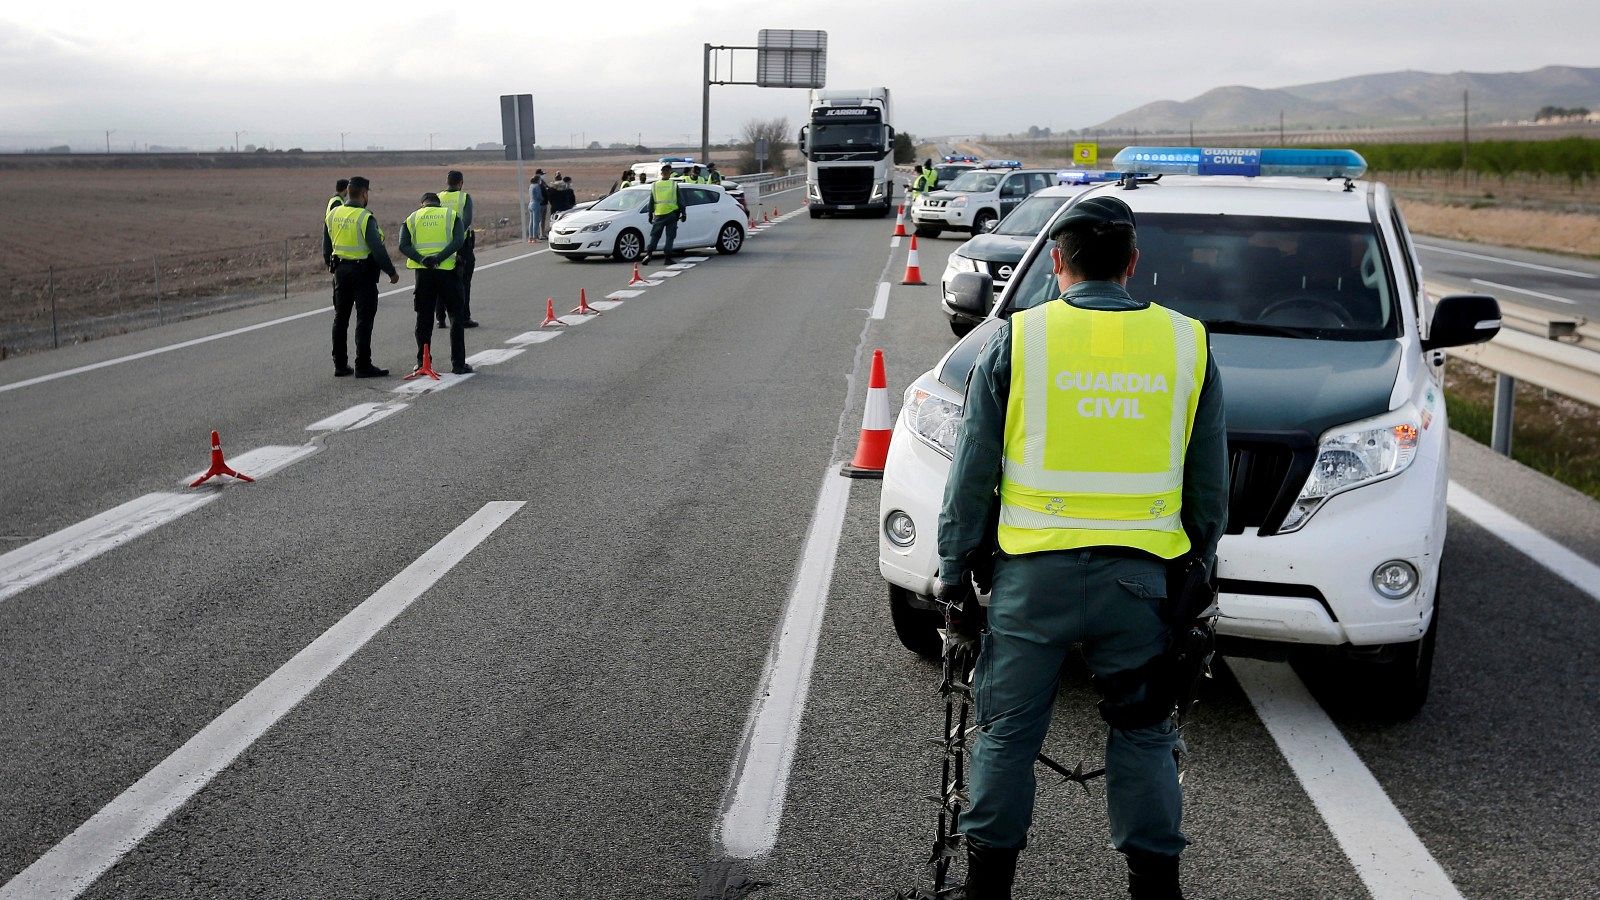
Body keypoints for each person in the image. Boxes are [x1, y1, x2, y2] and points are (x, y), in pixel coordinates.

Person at [932, 195, 1227, 899]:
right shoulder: (1188, 342)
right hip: (1139, 586)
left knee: (1005, 735)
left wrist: (952, 568)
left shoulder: (1018, 338)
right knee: (1145, 735)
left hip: (1033, 582)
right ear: (1132, 264)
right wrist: (1198, 569)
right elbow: (1209, 484)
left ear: (1056, 261)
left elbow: (973, 469)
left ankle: (987, 888)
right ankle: (1155, 889)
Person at [322, 175, 398, 378]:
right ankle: (362, 364)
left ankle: (340, 365)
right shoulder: (365, 217)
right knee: (363, 320)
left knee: (340, 318)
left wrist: (330, 264)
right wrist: (391, 271)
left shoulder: (333, 213)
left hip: (340, 272)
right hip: (362, 273)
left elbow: (326, 244)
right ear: (364, 194)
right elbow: (377, 249)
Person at [398, 192, 471, 375]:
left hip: (424, 275)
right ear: (438, 204)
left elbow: (403, 245)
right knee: (455, 317)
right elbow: (459, 240)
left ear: (422, 204)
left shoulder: (412, 218)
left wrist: (423, 259)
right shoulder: (451, 215)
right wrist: (439, 258)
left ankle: (423, 362)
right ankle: (458, 364)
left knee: (424, 318)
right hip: (448, 273)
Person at [438, 170, 479, 329]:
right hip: (461, 245)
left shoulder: (438, 197)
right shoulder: (464, 197)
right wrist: (457, 237)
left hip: (442, 245)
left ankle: (440, 318)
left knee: (441, 281)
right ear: (461, 183)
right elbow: (467, 220)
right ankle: (463, 317)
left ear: (446, 182)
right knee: (463, 282)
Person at [643, 162, 685, 265]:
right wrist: (683, 213)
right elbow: (680, 200)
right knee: (670, 237)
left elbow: (651, 202)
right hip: (671, 214)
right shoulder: (674, 185)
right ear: (670, 173)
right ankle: (667, 258)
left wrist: (650, 214)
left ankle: (649, 254)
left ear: (661, 173)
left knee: (655, 236)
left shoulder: (655, 185)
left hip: (658, 214)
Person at [528, 175, 546, 243]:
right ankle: (534, 238)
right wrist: (542, 199)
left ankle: (530, 237)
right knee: (536, 222)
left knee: (531, 222)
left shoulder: (531, 186)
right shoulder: (537, 186)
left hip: (530, 204)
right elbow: (539, 196)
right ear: (537, 180)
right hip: (536, 204)